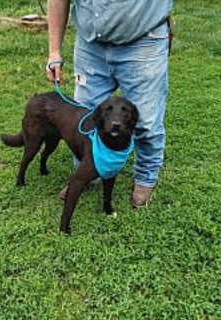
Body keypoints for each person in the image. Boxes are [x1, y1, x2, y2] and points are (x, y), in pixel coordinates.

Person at [46, 0, 174, 208]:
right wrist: (54, 52)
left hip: (144, 41)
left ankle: (145, 178)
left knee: (146, 123)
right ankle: (88, 172)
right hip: (90, 45)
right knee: (86, 119)